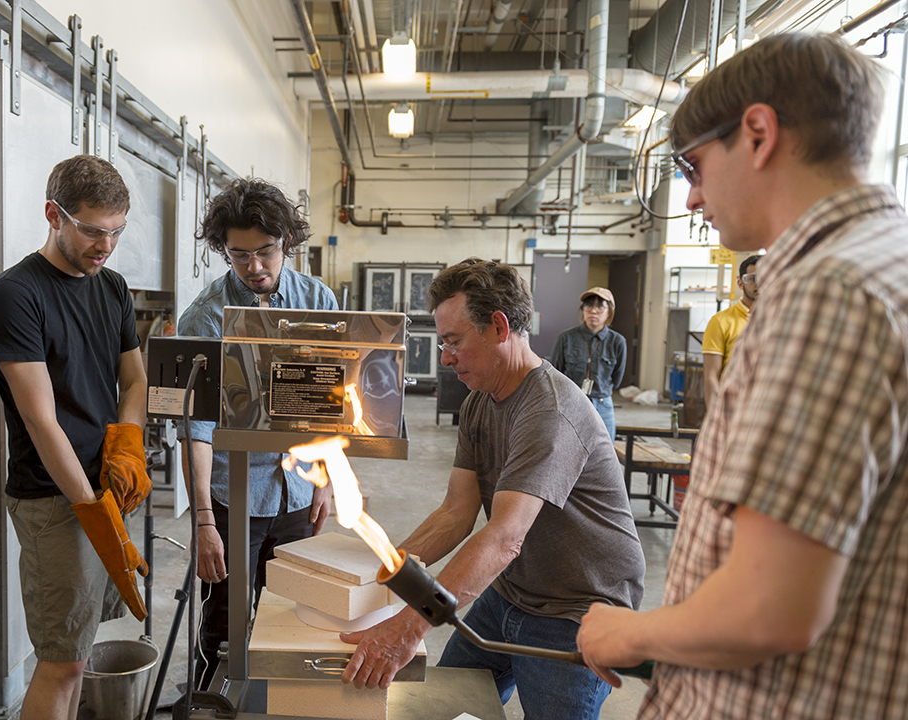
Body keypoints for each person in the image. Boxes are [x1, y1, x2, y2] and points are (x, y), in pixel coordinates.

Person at [577, 34, 908, 720]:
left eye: (694, 166)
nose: (693, 198)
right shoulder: (887, 265)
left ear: (758, 133)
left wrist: (627, 631)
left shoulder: (828, 293)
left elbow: (768, 609)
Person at [340, 259, 645, 720]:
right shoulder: (481, 401)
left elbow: (504, 539)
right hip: (514, 590)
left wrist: (408, 628)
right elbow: (454, 514)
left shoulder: (550, 411)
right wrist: (380, 580)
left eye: (453, 341)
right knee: (446, 706)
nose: (444, 357)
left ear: (499, 327)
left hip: (579, 607)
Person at [0, 155, 150, 720]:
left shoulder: (113, 288)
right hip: (55, 499)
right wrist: (93, 511)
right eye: (93, 231)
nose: (106, 245)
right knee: (61, 661)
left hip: (103, 489)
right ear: (54, 215)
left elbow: (135, 379)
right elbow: (41, 420)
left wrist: (126, 445)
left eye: (117, 232)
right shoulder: (17, 295)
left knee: (79, 654)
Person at [178, 178, 336, 690]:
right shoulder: (204, 318)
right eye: (238, 255)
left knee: (291, 613)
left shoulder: (318, 300)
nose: (254, 267)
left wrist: (327, 481)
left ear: (286, 241)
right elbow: (196, 429)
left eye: (265, 252)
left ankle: (277, 699)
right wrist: (203, 520)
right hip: (232, 497)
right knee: (225, 617)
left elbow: (328, 409)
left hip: (298, 489)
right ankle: (212, 698)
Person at [550, 287, 627, 440]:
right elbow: (555, 373)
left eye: (600, 306)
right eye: (589, 305)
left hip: (603, 404)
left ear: (609, 311)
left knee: (605, 455)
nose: (593, 311)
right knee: (569, 450)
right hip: (571, 403)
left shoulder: (617, 341)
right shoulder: (566, 338)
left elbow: (617, 379)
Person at [701, 255, 760, 408]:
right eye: (752, 278)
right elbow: (711, 376)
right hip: (735, 407)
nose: (759, 283)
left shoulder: (780, 319)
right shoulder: (721, 322)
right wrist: (715, 416)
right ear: (740, 283)